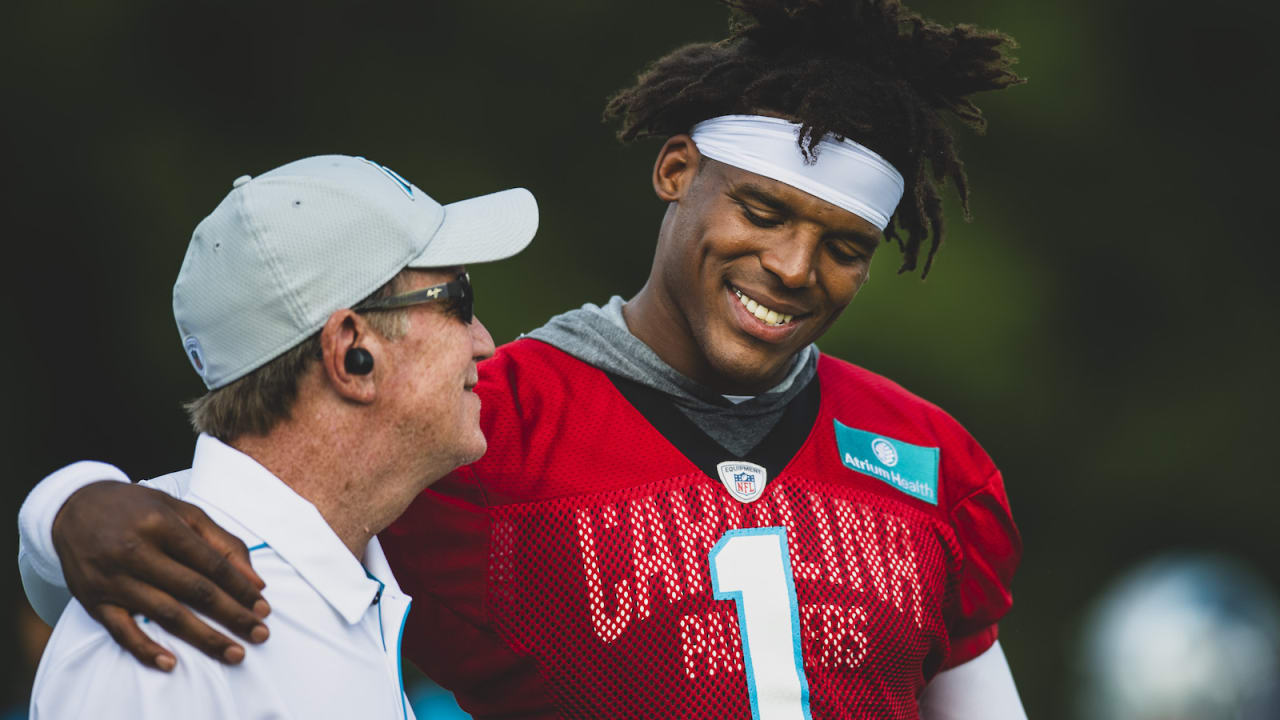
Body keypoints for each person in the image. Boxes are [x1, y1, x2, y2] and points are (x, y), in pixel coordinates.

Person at [19, 1, 1028, 717]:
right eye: (761, 211)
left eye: (844, 246)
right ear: (675, 170)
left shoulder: (926, 455)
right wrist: (64, 508)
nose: (793, 266)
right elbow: (249, 508)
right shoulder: (480, 421)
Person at [24, 154, 537, 719]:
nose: (485, 343)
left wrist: (59, 504)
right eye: (458, 302)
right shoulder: (170, 635)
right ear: (352, 353)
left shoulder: (318, 578)